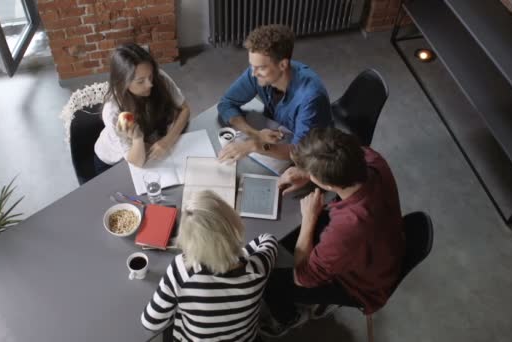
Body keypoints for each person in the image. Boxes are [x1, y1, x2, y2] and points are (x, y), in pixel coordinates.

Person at [260, 128, 405, 338]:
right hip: (380, 245)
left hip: (361, 285)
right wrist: (306, 172)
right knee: (295, 234)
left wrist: (309, 218)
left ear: (327, 184)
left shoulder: (349, 228)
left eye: (312, 175)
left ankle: (288, 318)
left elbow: (303, 276)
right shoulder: (371, 158)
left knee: (270, 280)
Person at [141, 190, 278, 341]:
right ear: (232, 222)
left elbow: (151, 322)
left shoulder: (183, 270)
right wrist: (237, 253)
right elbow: (268, 239)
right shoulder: (259, 268)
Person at [217, 24, 331, 163]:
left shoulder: (311, 98)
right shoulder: (256, 74)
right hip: (279, 133)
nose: (253, 73)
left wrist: (254, 145)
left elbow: (300, 153)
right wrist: (255, 134)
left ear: (283, 65)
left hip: (315, 154)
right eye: (252, 65)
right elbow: (226, 104)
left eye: (260, 67)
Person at [94, 43, 190, 174]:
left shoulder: (158, 78)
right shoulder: (114, 111)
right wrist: (137, 138)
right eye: (140, 81)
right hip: (114, 162)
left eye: (150, 76)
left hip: (149, 146)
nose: (150, 84)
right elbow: (136, 162)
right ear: (123, 82)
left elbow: (184, 109)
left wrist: (168, 141)